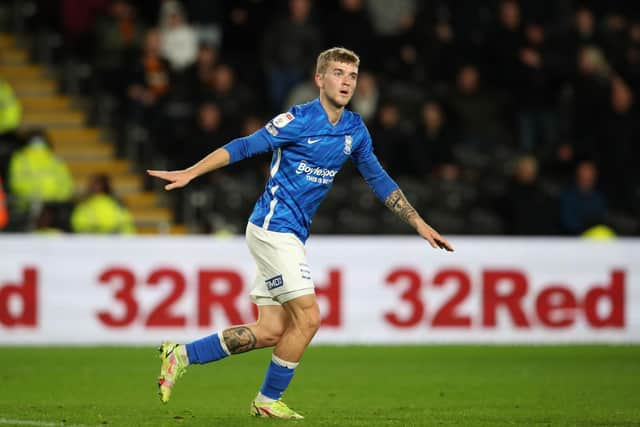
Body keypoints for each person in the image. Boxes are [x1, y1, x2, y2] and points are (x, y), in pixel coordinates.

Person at [147, 47, 454, 419]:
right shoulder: (298, 119)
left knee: (272, 331)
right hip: (273, 228)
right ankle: (265, 401)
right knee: (308, 319)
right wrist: (191, 172)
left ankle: (180, 354)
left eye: (352, 76)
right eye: (338, 74)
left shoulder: (354, 129)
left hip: (288, 233)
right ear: (320, 79)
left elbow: (378, 177)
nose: (346, 82)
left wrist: (418, 223)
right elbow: (245, 146)